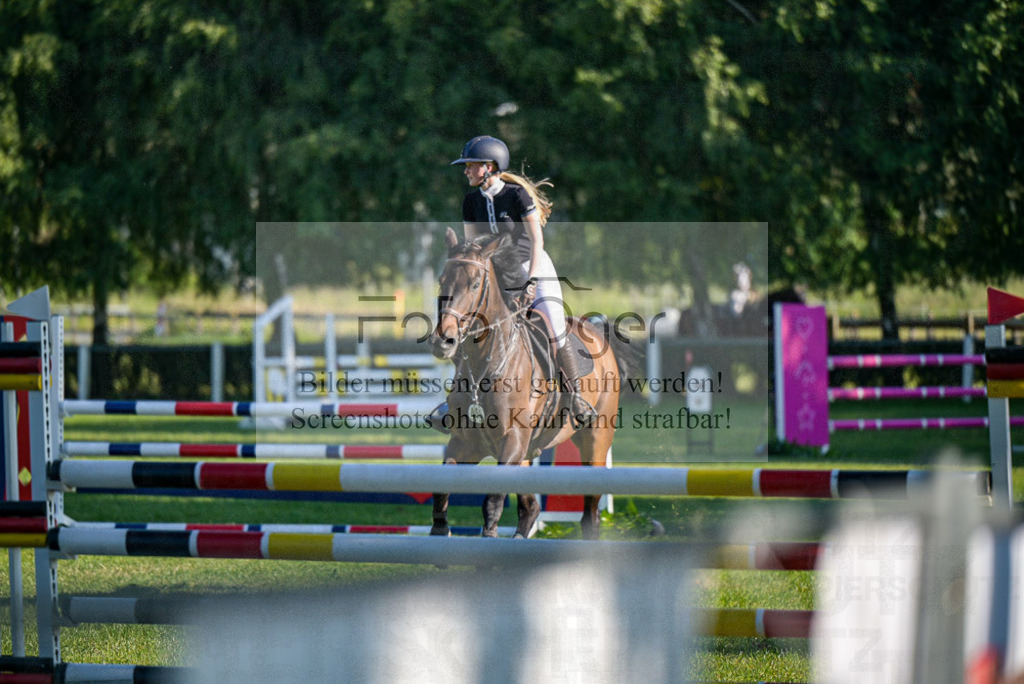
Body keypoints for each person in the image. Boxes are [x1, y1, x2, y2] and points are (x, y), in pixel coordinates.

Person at [448, 135, 596, 427]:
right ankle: (456, 401)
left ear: (489, 167)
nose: (465, 171)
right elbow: (472, 248)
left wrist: (531, 281)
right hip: (496, 277)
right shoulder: (470, 202)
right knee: (467, 329)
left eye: (470, 166)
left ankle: (576, 397)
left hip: (533, 266)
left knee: (555, 328)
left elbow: (536, 239)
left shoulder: (517, 196)